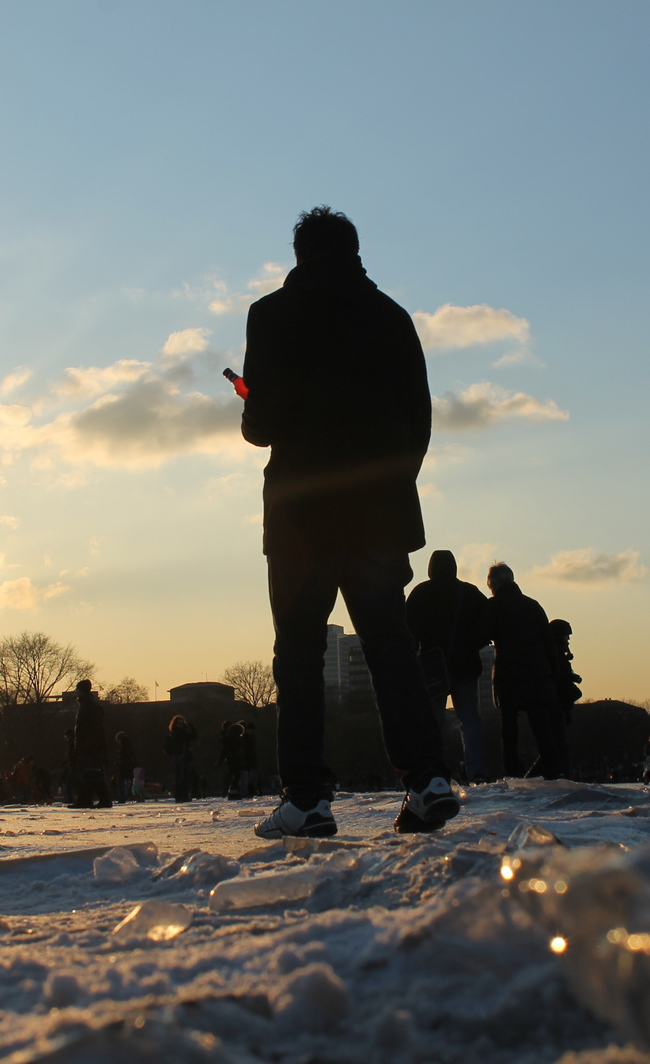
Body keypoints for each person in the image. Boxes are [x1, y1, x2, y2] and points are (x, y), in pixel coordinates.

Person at [240, 206, 457, 838]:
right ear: (355, 250)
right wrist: (390, 486)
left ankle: (306, 797)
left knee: (300, 653)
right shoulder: (391, 317)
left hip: (302, 512)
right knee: (391, 646)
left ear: (300, 253)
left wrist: (252, 402)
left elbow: (262, 426)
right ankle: (426, 778)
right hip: (378, 510)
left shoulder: (271, 314)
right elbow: (418, 419)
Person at [405, 549, 491, 783]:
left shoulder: (420, 593)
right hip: (465, 665)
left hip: (433, 668)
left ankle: (432, 769)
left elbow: (408, 630)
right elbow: (487, 623)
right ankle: (477, 771)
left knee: (432, 722)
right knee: (469, 718)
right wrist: (472, 643)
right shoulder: (469, 593)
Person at [487, 563, 567, 780]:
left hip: (509, 674)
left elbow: (483, 634)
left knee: (509, 728)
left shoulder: (493, 606)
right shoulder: (533, 606)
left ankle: (512, 772)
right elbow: (548, 643)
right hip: (537, 675)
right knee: (541, 725)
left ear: (492, 584)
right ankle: (554, 766)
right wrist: (553, 673)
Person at [72, 680, 111, 809]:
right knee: (89, 773)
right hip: (91, 745)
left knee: (90, 773)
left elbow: (89, 728)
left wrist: (87, 745)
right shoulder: (89, 704)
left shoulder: (87, 706)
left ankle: (98, 799)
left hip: (89, 746)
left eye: (77, 689)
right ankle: (87, 799)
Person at [166, 714, 195, 803]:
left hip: (185, 756)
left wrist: (191, 728)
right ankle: (180, 796)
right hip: (178, 756)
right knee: (180, 777)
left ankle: (184, 795)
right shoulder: (175, 733)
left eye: (182, 723)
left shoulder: (183, 733)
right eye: (179, 723)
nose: (181, 725)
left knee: (184, 777)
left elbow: (194, 737)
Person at [218, 720, 243, 798]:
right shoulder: (235, 739)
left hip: (230, 759)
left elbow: (223, 750)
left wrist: (220, 760)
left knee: (233, 774)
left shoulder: (228, 738)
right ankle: (233, 791)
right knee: (236, 775)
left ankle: (231, 790)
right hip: (234, 759)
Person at [114, 731, 137, 804]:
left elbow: (124, 756)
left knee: (121, 782)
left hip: (124, 766)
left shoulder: (124, 746)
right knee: (132, 782)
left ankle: (122, 798)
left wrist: (119, 762)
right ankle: (134, 796)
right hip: (130, 766)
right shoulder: (129, 744)